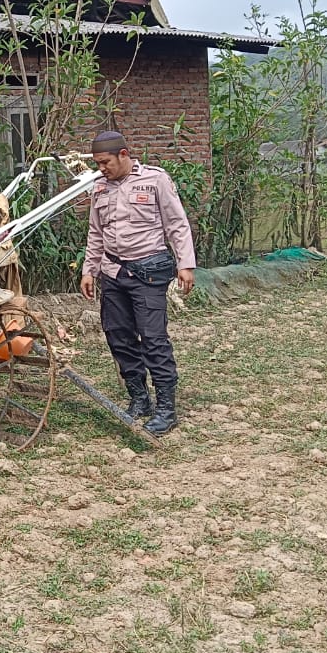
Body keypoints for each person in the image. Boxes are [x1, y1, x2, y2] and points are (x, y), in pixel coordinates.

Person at [79, 132, 196, 435]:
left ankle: (166, 409)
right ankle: (139, 399)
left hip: (148, 271)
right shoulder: (100, 188)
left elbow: (177, 224)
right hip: (113, 274)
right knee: (118, 336)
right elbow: (96, 233)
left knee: (153, 338)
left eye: (105, 162)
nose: (101, 168)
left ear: (123, 154)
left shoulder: (155, 181)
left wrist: (185, 264)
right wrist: (88, 270)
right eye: (97, 164)